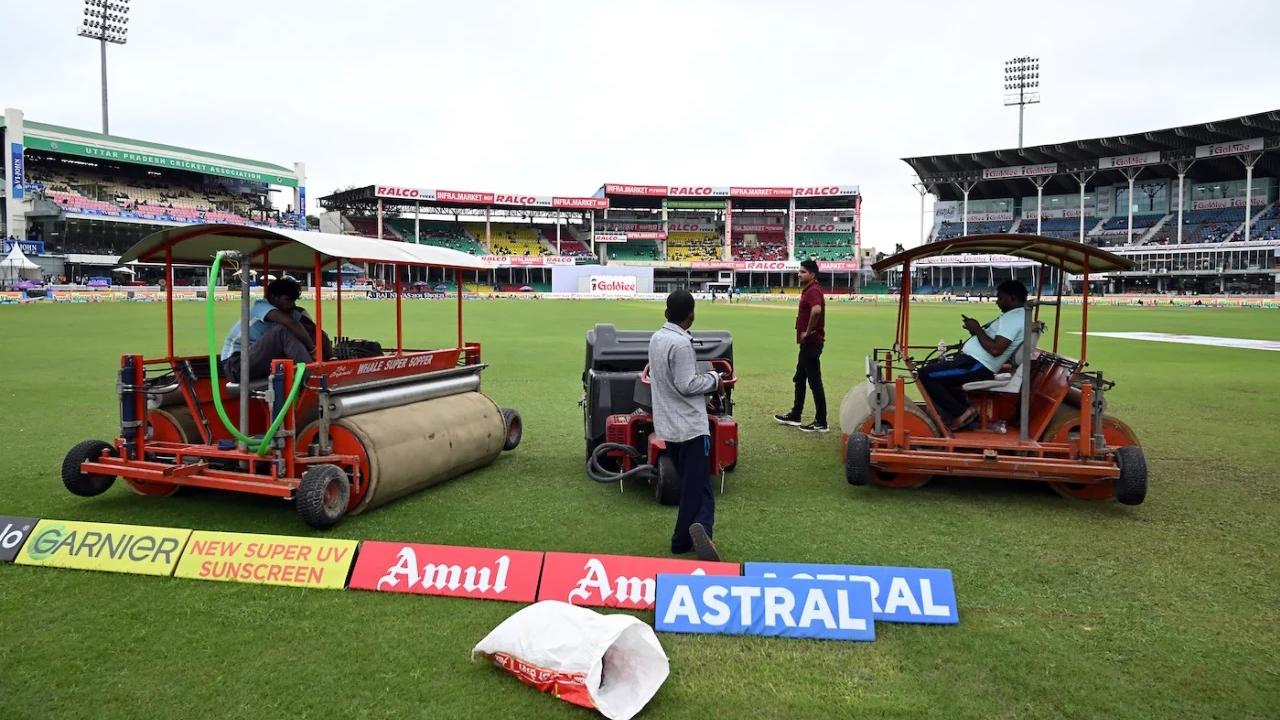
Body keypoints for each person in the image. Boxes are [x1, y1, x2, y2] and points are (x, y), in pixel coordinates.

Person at [648, 289, 725, 562]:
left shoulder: (657, 338)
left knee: (699, 485)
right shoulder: (680, 344)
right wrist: (715, 379)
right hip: (690, 427)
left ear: (667, 311)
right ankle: (682, 540)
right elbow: (686, 384)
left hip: (668, 425)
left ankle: (703, 529)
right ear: (691, 316)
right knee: (696, 489)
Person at [918, 280, 1028, 430]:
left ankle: (962, 412)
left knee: (925, 374)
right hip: (973, 363)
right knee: (933, 370)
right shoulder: (1016, 316)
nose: (997, 302)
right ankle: (963, 410)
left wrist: (976, 329)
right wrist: (974, 330)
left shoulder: (1013, 319)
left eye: (1000, 298)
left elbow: (996, 350)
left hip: (977, 365)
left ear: (1012, 298)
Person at [220, 277, 332, 383]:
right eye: (287, 300)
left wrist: (315, 332)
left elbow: (313, 329)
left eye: (293, 300)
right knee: (283, 331)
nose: (292, 304)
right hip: (235, 364)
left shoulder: (290, 312)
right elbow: (291, 323)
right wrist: (313, 350)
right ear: (273, 297)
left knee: (314, 333)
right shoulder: (261, 306)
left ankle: (329, 369)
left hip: (256, 360)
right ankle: (314, 379)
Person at [775, 259, 827, 432]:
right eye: (799, 271)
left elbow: (817, 310)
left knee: (814, 382)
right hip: (807, 345)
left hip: (811, 343)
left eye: (803, 272)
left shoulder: (813, 290)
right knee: (799, 378)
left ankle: (821, 421)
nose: (799, 274)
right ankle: (795, 415)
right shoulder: (810, 290)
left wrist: (808, 331)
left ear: (812, 275)